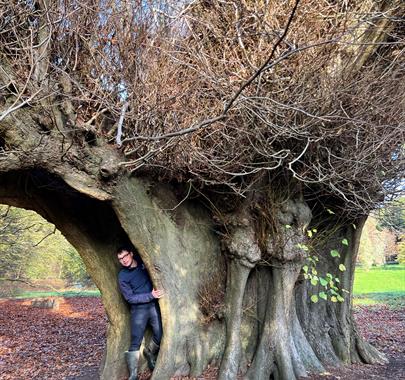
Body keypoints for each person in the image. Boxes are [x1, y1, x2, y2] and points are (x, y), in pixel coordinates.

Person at [116, 246, 164, 380]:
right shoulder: (122, 276)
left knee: (160, 335)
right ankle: (133, 374)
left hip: (154, 307)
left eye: (125, 256)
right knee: (135, 341)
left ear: (131, 254)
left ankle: (150, 353)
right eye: (120, 259)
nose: (124, 260)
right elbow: (130, 298)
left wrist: (152, 297)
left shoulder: (144, 263)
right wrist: (150, 295)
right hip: (138, 311)